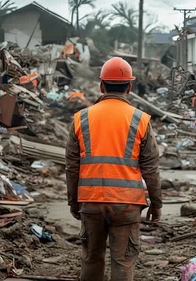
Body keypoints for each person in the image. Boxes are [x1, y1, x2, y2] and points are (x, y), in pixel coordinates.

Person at [65, 57, 162, 281]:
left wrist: (74, 201)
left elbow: (72, 167)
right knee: (123, 262)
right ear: (129, 87)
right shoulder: (141, 120)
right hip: (127, 205)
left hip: (91, 201)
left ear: (101, 85)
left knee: (91, 258)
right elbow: (151, 169)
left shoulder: (81, 118)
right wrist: (156, 204)